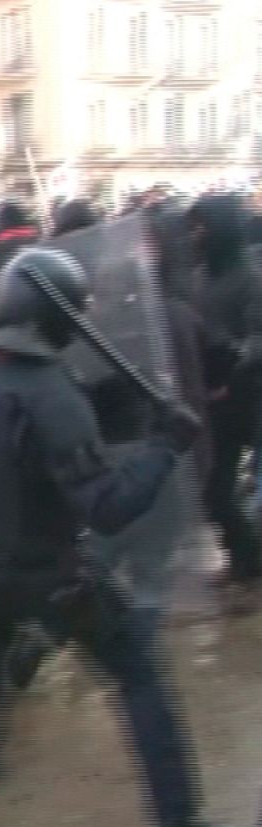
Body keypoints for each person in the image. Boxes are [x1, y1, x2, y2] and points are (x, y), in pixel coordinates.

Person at [0, 247, 231, 827]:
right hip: (43, 573)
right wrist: (165, 446)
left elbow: (2, 446)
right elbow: (108, 508)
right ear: (61, 319)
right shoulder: (48, 392)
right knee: (139, 677)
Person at [186, 194, 262, 588]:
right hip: (211, 399)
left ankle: (248, 557)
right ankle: (246, 555)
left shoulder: (252, 277)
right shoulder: (199, 276)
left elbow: (257, 339)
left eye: (203, 226)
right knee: (211, 489)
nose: (196, 234)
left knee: (220, 487)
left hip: (246, 397)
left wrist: (231, 359)